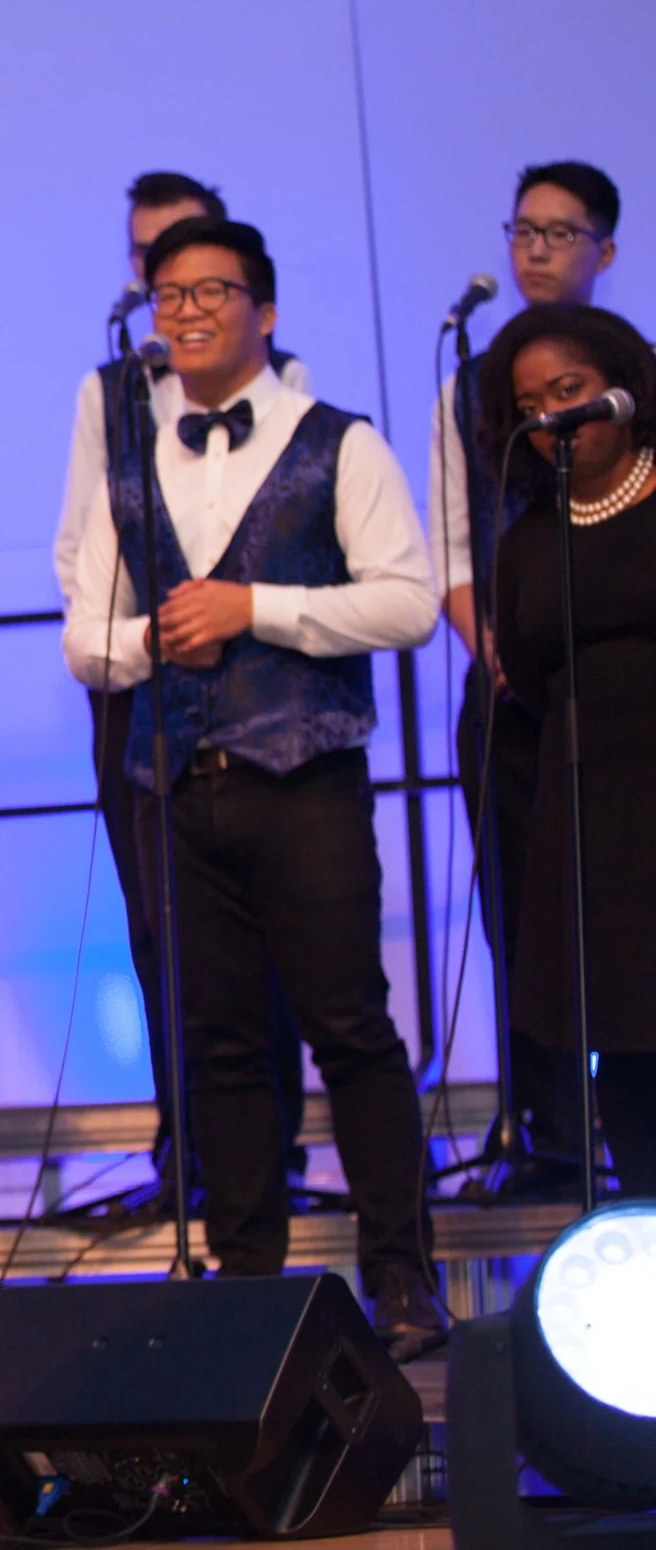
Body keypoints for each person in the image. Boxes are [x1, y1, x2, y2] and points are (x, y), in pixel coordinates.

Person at [61, 217, 448, 1353]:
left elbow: (409, 601)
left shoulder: (341, 443)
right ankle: (244, 1278)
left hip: (306, 777)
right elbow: (87, 639)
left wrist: (257, 609)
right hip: (175, 783)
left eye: (209, 293)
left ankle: (401, 1269)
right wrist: (147, 639)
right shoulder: (129, 460)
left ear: (264, 312)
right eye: (166, 296)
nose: (182, 313)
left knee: (350, 1026)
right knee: (217, 1041)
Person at [52, 170, 314, 1210]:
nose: (169, 290)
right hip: (133, 675)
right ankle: (186, 1149)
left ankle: (272, 1148)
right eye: (146, 264)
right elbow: (81, 538)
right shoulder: (106, 388)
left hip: (256, 691)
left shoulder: (286, 386)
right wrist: (118, 640)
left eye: (189, 264)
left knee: (272, 926)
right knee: (159, 925)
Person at [427, 162, 623, 1185]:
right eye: (523, 229)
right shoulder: (469, 381)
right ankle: (544, 1126)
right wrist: (494, 648)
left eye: (561, 230)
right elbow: (451, 546)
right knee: (525, 916)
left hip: (618, 694)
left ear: (606, 249)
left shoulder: (628, 379)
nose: (536, 248)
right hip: (511, 687)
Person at [480, 303, 656, 1197]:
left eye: (570, 391)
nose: (554, 415)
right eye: (530, 403)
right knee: (623, 1033)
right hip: (589, 803)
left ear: (620, 389)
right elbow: (527, 669)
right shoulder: (528, 540)